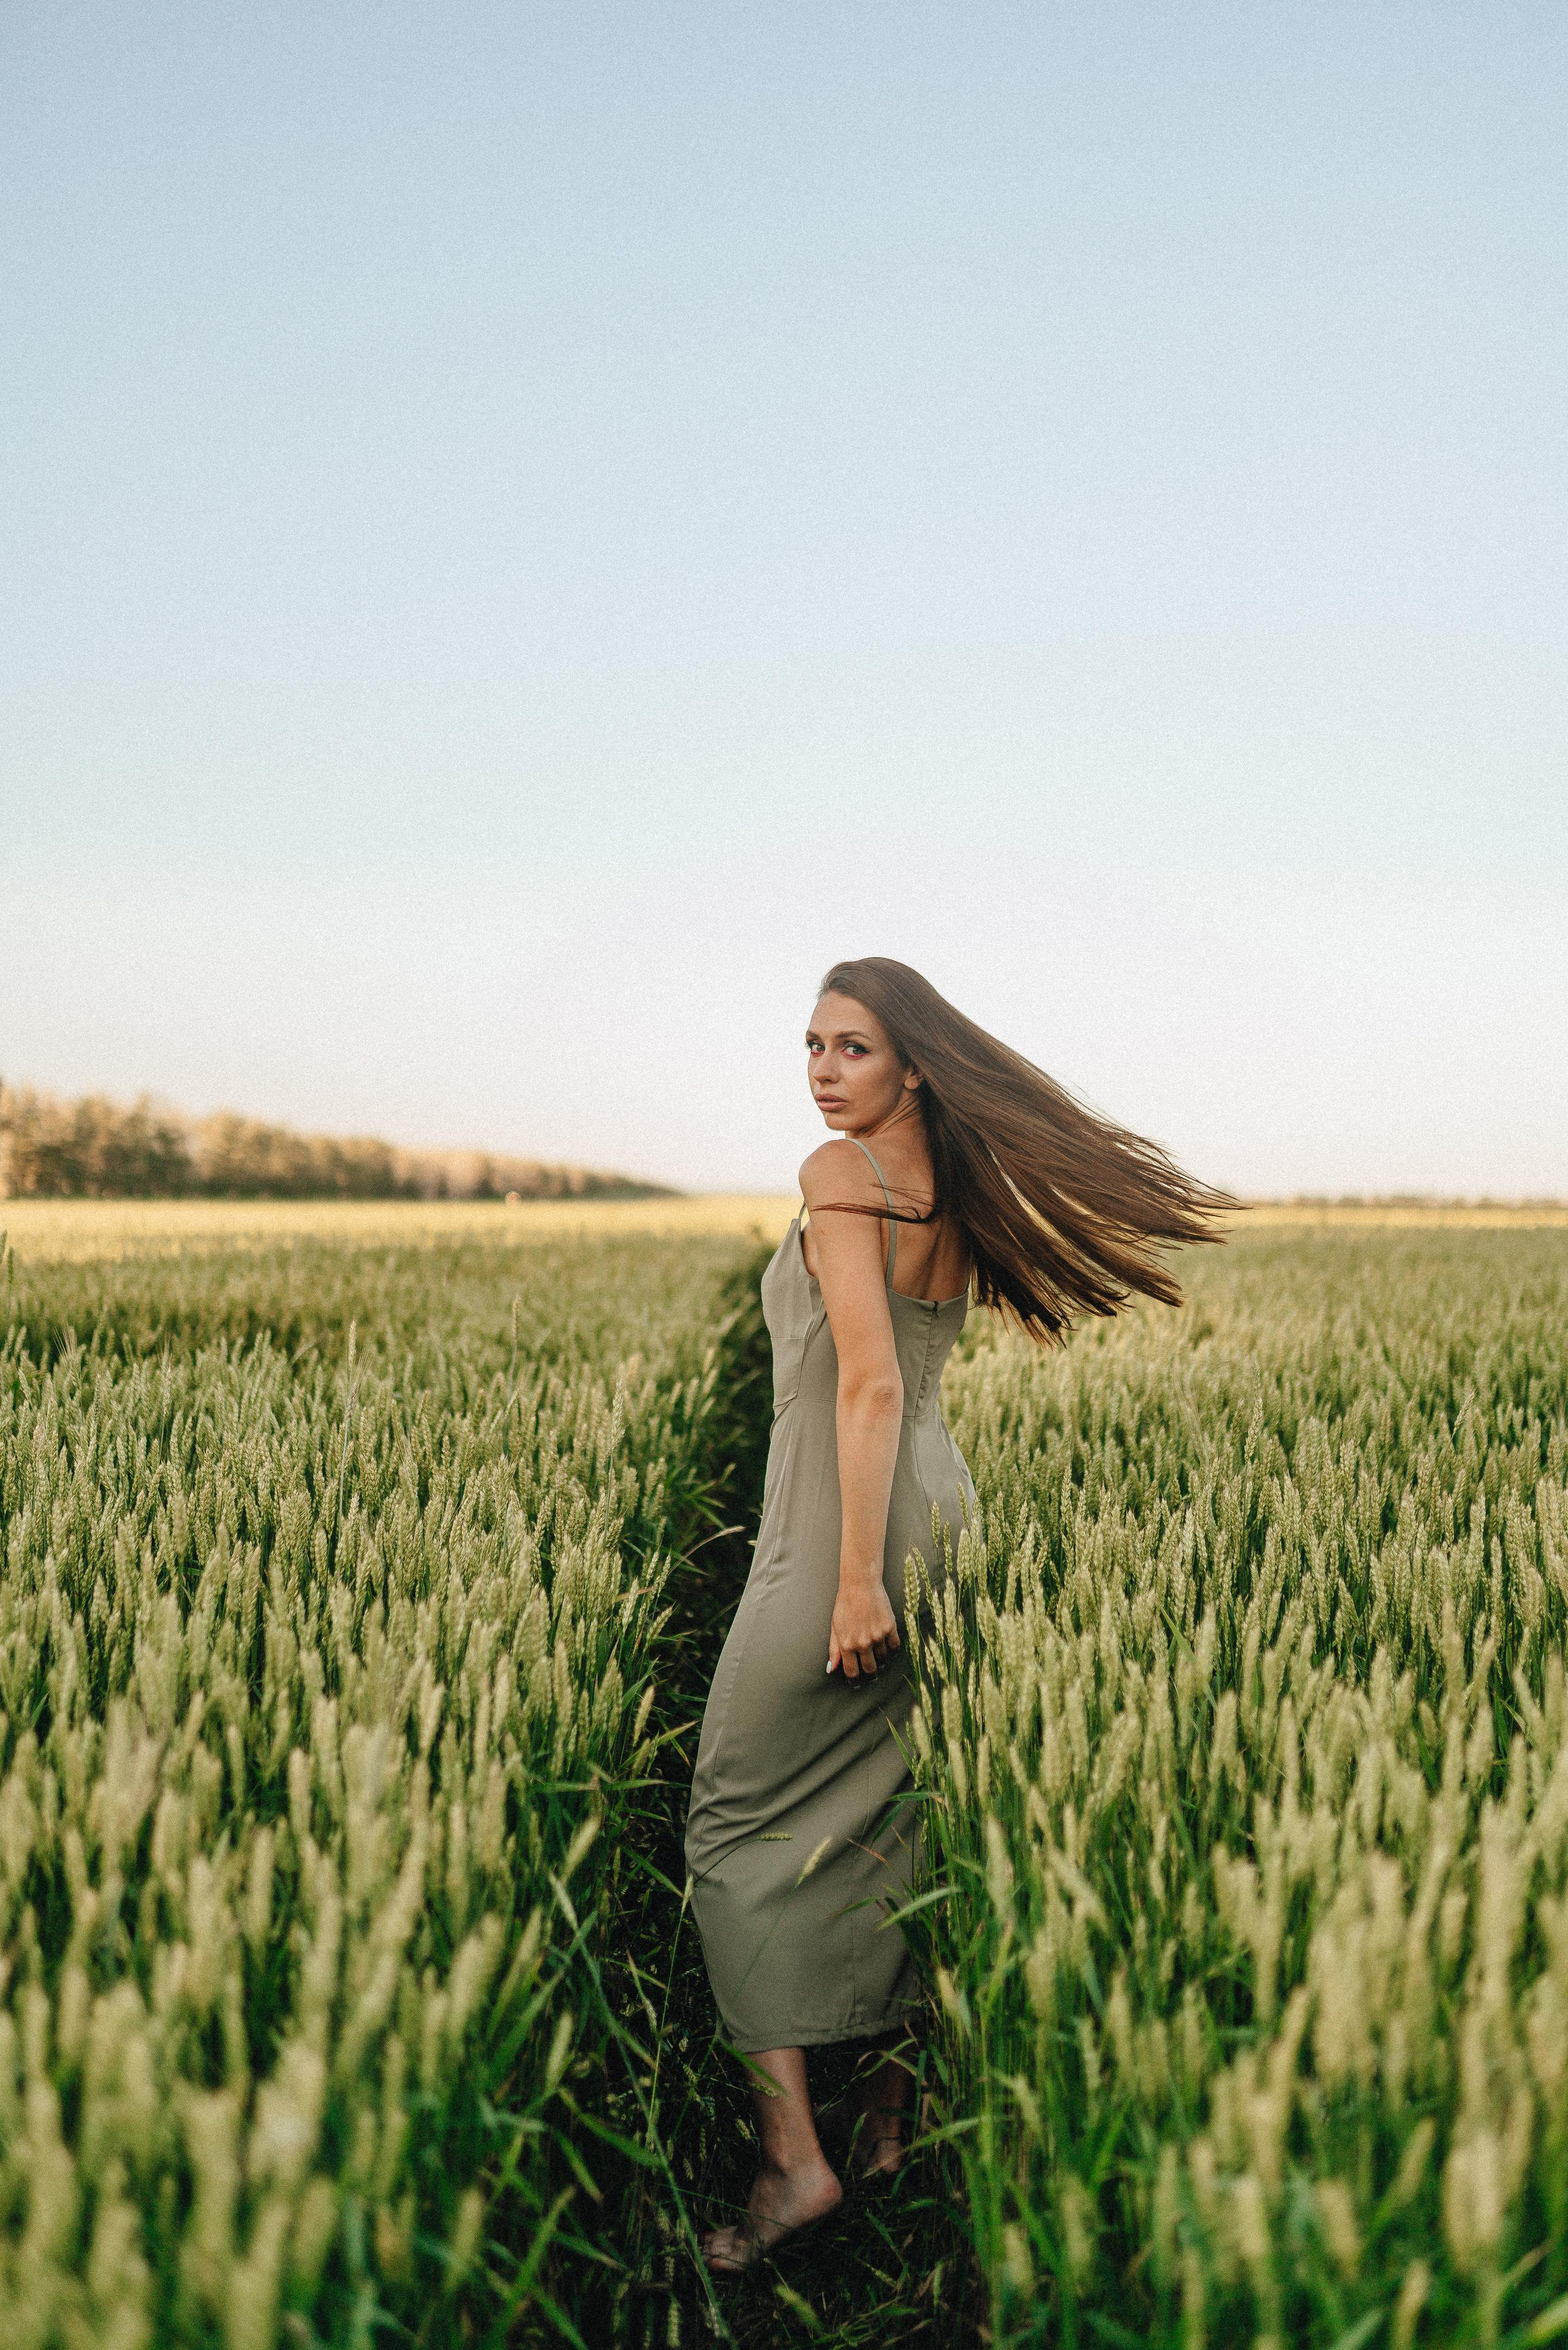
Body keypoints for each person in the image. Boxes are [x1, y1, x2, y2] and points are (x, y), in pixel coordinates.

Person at [684, 957, 1232, 2274]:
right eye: (809, 1044)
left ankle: (791, 2163)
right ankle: (888, 2120)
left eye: (851, 1047)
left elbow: (863, 1387)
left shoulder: (836, 1179)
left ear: (912, 1064)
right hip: (944, 1514)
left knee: (728, 1818)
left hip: (845, 1527)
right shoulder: (950, 1183)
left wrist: (854, 1574)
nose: (820, 1068)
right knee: (892, 1807)